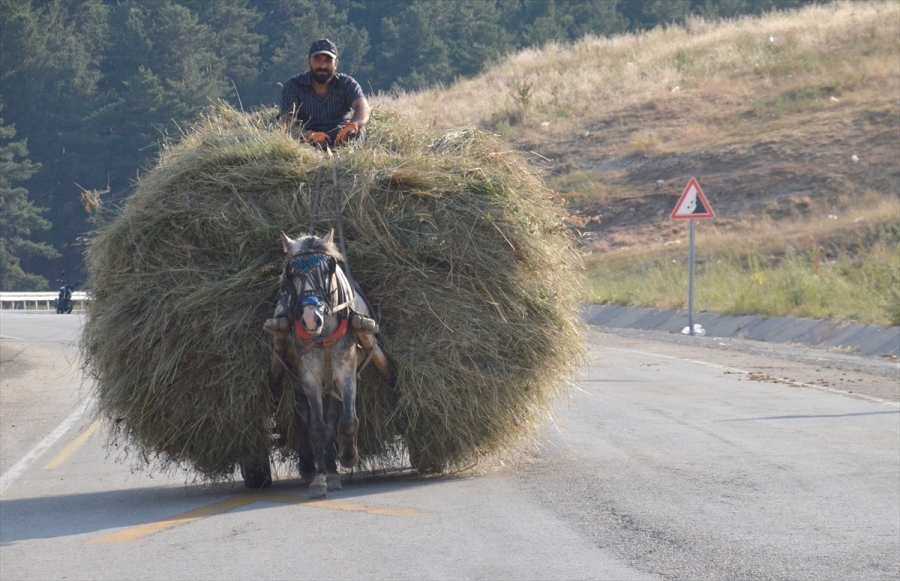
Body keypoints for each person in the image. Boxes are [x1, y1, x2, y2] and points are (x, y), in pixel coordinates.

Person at [279, 39, 371, 148]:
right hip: (308, 141)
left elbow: (363, 108)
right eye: (317, 60)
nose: (322, 66)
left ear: (336, 63)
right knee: (290, 138)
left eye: (328, 61)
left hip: (341, 137)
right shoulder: (294, 85)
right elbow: (285, 121)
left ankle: (347, 161)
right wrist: (308, 135)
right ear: (309, 61)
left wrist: (352, 126)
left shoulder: (347, 83)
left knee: (359, 131)